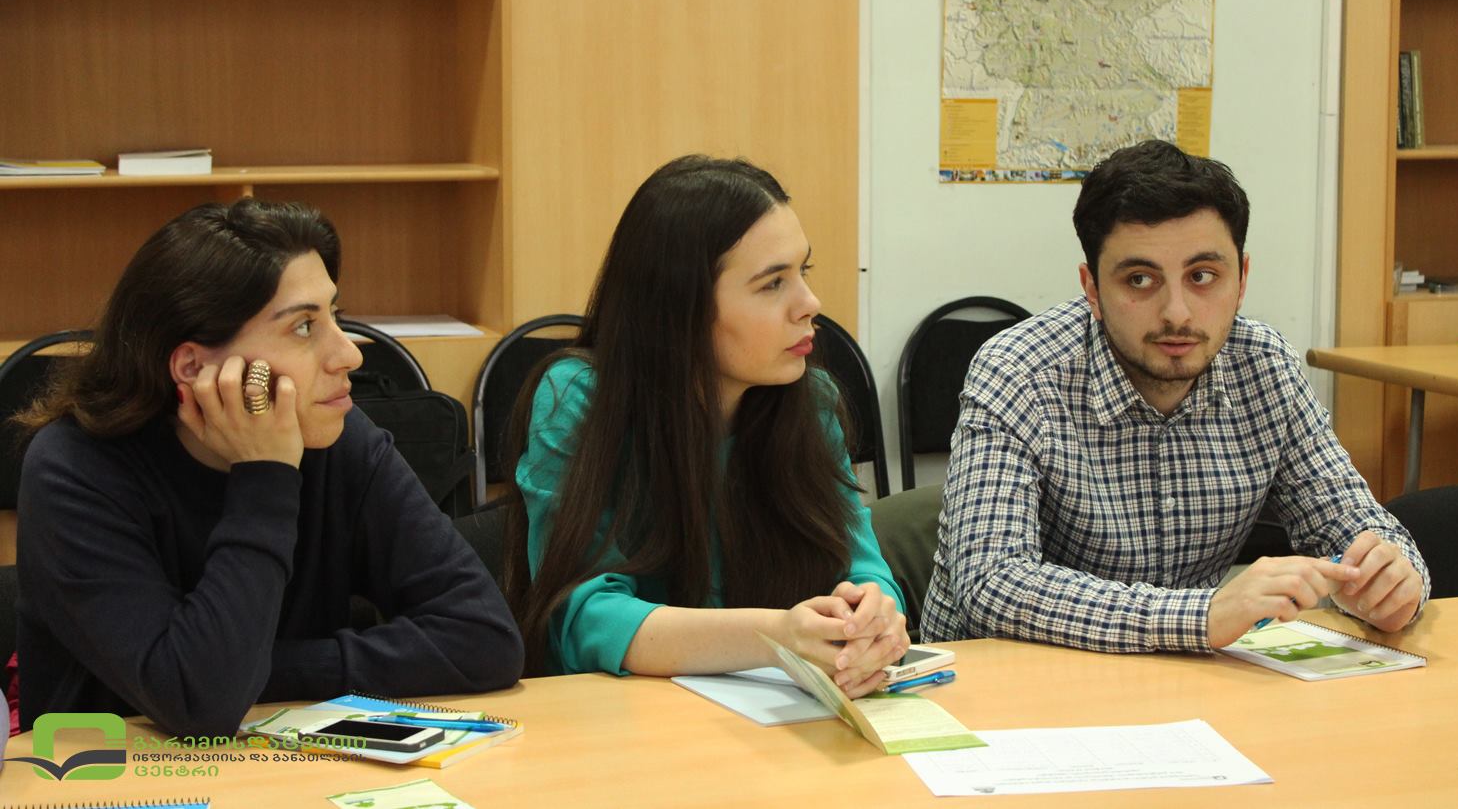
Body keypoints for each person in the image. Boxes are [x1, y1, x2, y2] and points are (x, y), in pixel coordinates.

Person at [16, 199, 523, 737]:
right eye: (304, 327)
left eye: (335, 316)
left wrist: (260, 667)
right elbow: (200, 703)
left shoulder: (339, 439)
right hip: (112, 770)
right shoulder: (74, 470)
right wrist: (265, 475)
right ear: (192, 366)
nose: (350, 355)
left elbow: (486, 638)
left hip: (285, 765)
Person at [924, 140, 1429, 653]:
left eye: (1202, 276)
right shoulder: (1019, 372)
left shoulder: (1264, 366)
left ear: (1241, 280)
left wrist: (1394, 582)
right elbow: (992, 582)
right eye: (1140, 279)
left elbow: (1352, 522)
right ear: (1092, 289)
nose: (1178, 313)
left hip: (1183, 678)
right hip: (1007, 678)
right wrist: (1202, 615)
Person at [503, 155, 907, 695]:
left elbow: (861, 566)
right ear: (681, 305)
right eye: (773, 284)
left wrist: (873, 619)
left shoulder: (810, 401)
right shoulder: (581, 400)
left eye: (803, 272)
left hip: (775, 711)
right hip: (620, 716)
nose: (809, 304)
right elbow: (580, 617)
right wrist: (775, 636)